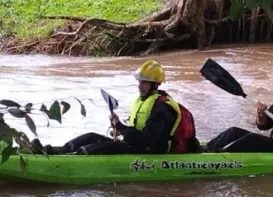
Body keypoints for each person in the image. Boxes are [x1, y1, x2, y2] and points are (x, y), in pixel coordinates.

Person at [29, 60, 199, 155]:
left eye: (144, 82)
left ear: (155, 84)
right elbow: (136, 130)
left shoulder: (162, 108)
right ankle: (50, 151)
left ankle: (68, 160)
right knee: (90, 136)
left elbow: (148, 140)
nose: (140, 86)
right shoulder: (143, 101)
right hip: (137, 145)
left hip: (151, 151)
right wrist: (118, 128)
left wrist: (121, 128)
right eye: (139, 81)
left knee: (100, 148)